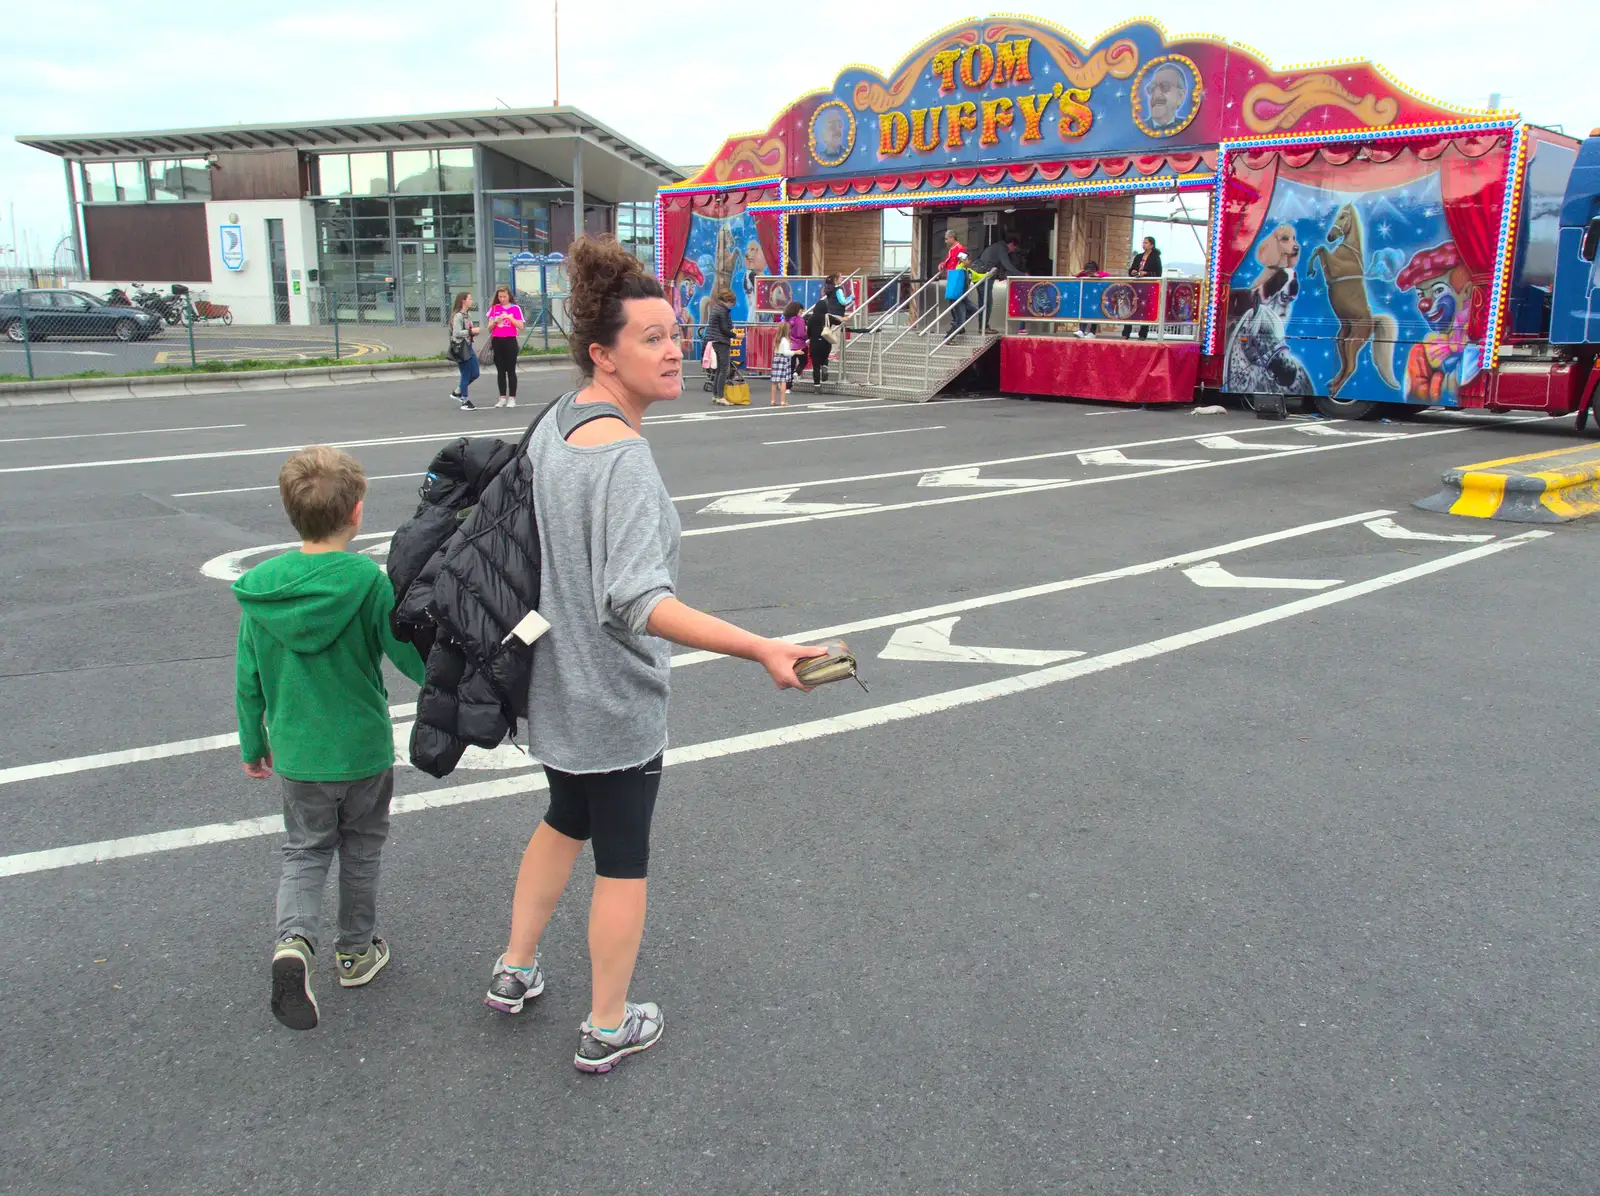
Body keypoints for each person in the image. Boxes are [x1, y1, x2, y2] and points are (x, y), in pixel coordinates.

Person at [481, 235, 825, 1073]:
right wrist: (759, 646)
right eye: (651, 338)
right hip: (609, 698)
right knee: (623, 859)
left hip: (549, 684)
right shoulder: (625, 461)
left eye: (675, 333)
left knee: (565, 818)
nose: (674, 350)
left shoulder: (558, 421)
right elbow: (637, 601)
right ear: (604, 353)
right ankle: (607, 1023)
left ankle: (515, 968)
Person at [235, 446, 429, 1031]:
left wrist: (253, 744)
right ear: (357, 512)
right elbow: (408, 659)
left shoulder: (262, 592)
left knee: (305, 850)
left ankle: (294, 942)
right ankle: (355, 951)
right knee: (362, 848)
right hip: (363, 749)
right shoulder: (368, 584)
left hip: (298, 753)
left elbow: (248, 679)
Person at [486, 284, 525, 409]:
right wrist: (495, 321)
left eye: (504, 296)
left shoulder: (515, 308)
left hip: (510, 341)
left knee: (511, 370)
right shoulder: (494, 308)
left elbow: (521, 326)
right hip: (497, 340)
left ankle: (512, 398)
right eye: (500, 297)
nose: (502, 299)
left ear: (509, 296)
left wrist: (509, 317)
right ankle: (502, 397)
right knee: (500, 371)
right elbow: (489, 328)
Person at [973, 234, 1022, 333]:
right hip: (985, 277)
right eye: (1014, 248)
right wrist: (1022, 274)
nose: (1013, 251)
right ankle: (984, 327)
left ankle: (982, 326)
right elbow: (1007, 265)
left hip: (982, 276)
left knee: (983, 302)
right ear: (1012, 244)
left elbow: (999, 266)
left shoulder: (997, 247)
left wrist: (1001, 276)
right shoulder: (1002, 248)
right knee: (987, 302)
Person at [806, 273, 848, 386]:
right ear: (836, 279)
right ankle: (830, 358)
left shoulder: (812, 318)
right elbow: (843, 301)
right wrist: (851, 298)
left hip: (814, 344)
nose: (843, 279)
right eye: (841, 277)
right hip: (837, 314)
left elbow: (808, 331)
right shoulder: (839, 289)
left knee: (816, 363)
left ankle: (817, 385)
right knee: (835, 336)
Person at [1123, 237, 1163, 340]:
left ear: (1151, 245)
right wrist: (1132, 272)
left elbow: (1158, 273)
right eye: (1143, 242)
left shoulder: (1155, 258)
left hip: (1148, 286)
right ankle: (1126, 333)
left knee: (1145, 310)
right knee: (1131, 308)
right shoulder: (1139, 257)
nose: (1143, 244)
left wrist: (1146, 273)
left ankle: (1142, 334)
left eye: (1146, 243)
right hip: (1136, 285)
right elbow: (1132, 269)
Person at [447, 291, 480, 410]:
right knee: (466, 374)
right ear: (463, 301)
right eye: (470, 299)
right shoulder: (458, 316)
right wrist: (471, 332)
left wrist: (471, 334)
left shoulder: (467, 314)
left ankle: (457, 392)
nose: (471, 301)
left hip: (468, 346)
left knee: (475, 373)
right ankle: (465, 401)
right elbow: (456, 333)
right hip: (461, 348)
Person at [769, 300, 805, 406]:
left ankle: (773, 400)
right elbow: (786, 352)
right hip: (783, 361)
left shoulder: (777, 339)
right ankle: (783, 401)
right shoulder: (785, 340)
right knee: (783, 381)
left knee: (774, 382)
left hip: (776, 359)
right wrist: (796, 352)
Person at [938, 229, 974, 335]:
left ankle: (961, 322)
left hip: (959, 278)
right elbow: (948, 262)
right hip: (953, 278)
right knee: (954, 302)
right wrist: (942, 264)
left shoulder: (959, 249)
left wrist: (963, 263)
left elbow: (966, 262)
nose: (945, 241)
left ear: (952, 238)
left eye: (946, 239)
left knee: (958, 301)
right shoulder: (952, 250)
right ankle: (959, 324)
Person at [707, 286, 735, 405]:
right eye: (732, 302)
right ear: (727, 300)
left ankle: (716, 395)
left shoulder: (715, 308)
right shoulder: (723, 310)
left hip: (714, 340)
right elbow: (724, 328)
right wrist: (735, 335)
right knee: (723, 369)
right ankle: (720, 396)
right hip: (722, 341)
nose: (732, 305)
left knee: (719, 369)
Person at [1075, 260, 1108, 338]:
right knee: (1084, 313)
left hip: (1097, 297)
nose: (1089, 273)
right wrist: (1082, 271)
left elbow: (1107, 275)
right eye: (1088, 271)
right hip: (1087, 297)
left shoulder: (1099, 273)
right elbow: (1076, 275)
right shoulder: (1084, 274)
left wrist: (1096, 275)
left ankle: (1092, 332)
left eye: (1091, 271)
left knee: (1094, 313)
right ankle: (1081, 330)